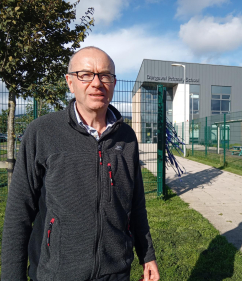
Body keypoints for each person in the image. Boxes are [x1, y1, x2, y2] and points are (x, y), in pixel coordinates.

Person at [1, 47, 160, 281]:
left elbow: (135, 206)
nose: (97, 83)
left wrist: (147, 255)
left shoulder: (127, 137)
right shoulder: (42, 132)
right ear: (70, 82)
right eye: (85, 74)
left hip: (115, 273)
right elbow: (18, 213)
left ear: (114, 83)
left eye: (105, 75)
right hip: (56, 273)